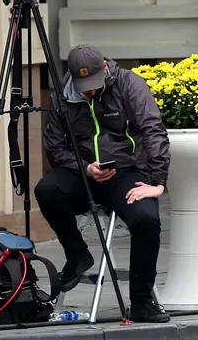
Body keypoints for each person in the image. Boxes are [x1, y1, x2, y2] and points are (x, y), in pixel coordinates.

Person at [34, 44, 170, 323]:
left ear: (105, 68)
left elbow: (153, 129)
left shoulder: (129, 84)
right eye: (83, 87)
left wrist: (157, 181)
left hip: (125, 172)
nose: (90, 91)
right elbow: (55, 148)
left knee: (146, 219)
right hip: (83, 172)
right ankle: (77, 254)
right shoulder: (62, 95)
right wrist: (85, 168)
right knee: (46, 190)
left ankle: (142, 302)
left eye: (94, 84)